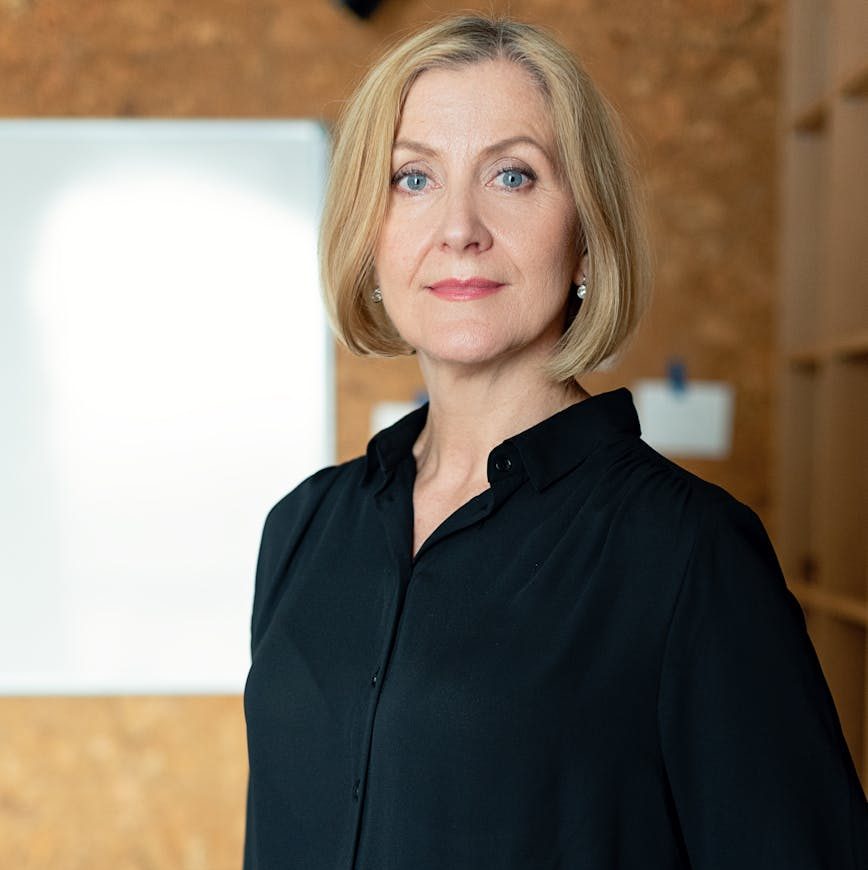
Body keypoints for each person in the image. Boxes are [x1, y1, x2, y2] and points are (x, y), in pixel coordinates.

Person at [242, 14, 867, 870]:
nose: (458, 226)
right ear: (369, 236)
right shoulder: (303, 530)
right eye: (413, 178)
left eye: (512, 174)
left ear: (585, 233)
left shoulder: (687, 555)